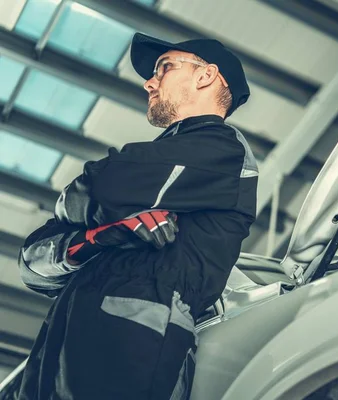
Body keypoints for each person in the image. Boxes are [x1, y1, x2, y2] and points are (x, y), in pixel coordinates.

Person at [16, 32, 258, 400]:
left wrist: (83, 212)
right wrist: (95, 237)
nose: (149, 81)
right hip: (58, 349)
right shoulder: (158, 165)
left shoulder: (223, 150)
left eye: (164, 68)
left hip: (132, 340)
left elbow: (103, 186)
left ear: (205, 76)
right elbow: (31, 265)